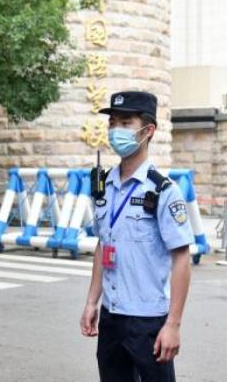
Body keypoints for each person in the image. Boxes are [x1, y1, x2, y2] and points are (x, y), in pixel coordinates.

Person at [79, 91, 194, 382]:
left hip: (148, 320)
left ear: (148, 130)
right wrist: (92, 301)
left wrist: (173, 325)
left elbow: (182, 259)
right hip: (111, 315)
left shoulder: (163, 191)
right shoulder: (104, 186)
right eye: (112, 123)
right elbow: (103, 244)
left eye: (125, 123)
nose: (116, 130)